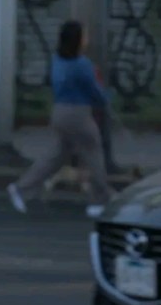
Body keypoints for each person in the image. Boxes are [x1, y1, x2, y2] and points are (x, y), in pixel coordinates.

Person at [7, 20, 116, 218]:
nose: (87, 39)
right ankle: (100, 200)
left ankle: (21, 189)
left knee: (55, 157)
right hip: (78, 114)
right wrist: (106, 101)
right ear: (78, 40)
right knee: (93, 154)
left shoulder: (57, 59)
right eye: (85, 35)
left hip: (59, 112)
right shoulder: (82, 64)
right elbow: (94, 92)